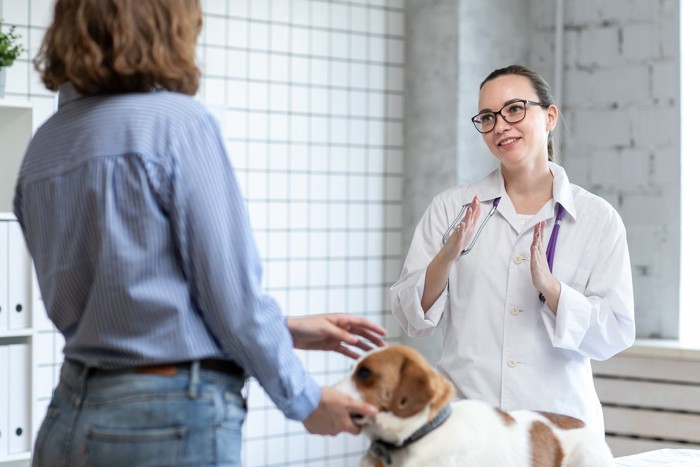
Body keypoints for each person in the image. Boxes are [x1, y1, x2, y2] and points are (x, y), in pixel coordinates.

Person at [14, 1, 385, 466]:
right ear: (166, 25)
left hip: (69, 415)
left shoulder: (44, 145)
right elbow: (233, 301)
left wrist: (286, 329)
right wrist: (308, 399)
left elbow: (118, 310)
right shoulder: (177, 125)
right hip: (166, 418)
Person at [390, 64, 635, 434]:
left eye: (515, 109)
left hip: (559, 430)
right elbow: (410, 317)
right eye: (487, 117)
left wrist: (552, 290)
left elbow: (614, 333)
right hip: (470, 423)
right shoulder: (450, 208)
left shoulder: (597, 219)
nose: (500, 125)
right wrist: (446, 257)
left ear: (549, 116)